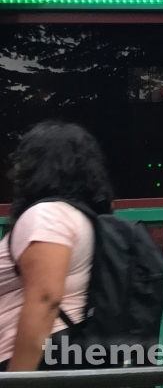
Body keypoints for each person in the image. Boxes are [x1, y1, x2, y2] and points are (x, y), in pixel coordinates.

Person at [0, 121, 114, 371]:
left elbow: (46, 299)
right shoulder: (78, 216)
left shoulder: (47, 216)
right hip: (61, 355)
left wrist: (17, 378)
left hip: (33, 362)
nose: (16, 169)